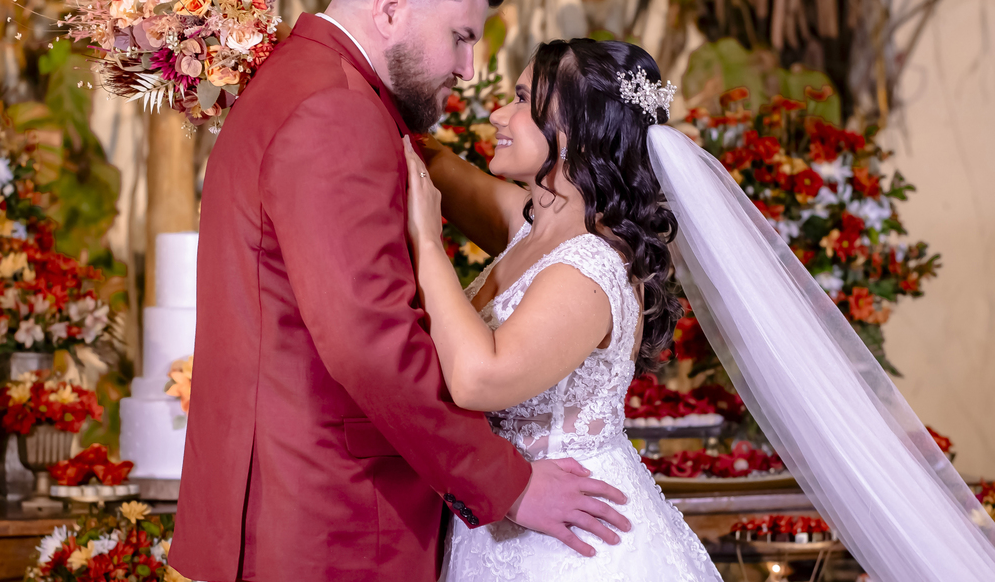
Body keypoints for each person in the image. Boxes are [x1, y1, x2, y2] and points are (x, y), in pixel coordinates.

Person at [403, 37, 995, 582]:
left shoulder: (589, 268)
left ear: (578, 132)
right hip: (508, 519)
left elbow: (478, 378)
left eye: (523, 100)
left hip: (570, 540)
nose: (497, 116)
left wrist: (428, 244)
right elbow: (431, 164)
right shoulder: (530, 226)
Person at [169, 0, 631, 582]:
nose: (470, 71)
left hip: (286, 501)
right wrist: (512, 486)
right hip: (334, 519)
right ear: (389, 9)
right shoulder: (337, 110)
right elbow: (371, 342)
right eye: (461, 37)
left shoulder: (307, 84)